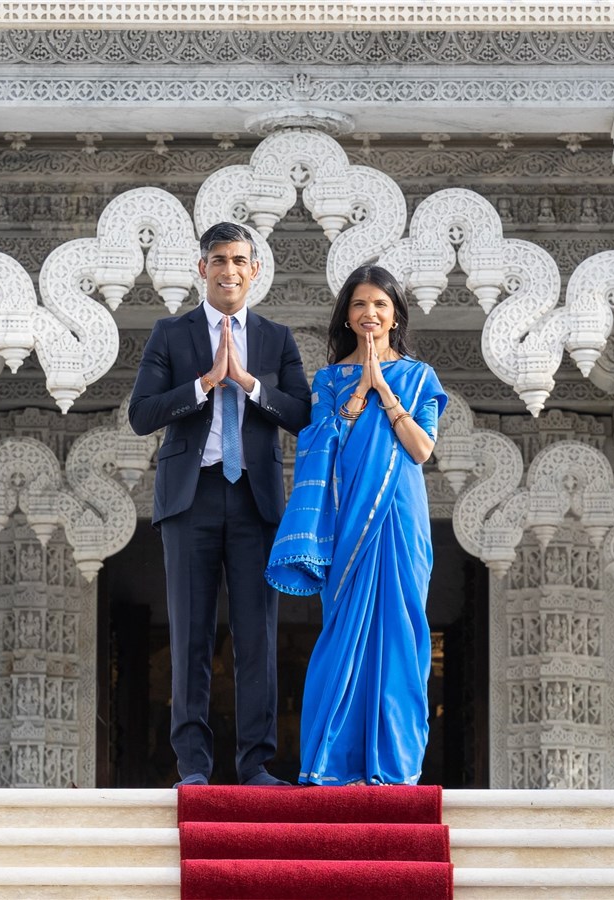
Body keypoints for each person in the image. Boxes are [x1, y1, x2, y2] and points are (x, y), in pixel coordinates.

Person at [129, 222, 311, 787]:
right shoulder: (170, 333)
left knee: (257, 632)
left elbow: (301, 413)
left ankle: (256, 764)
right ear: (201, 268)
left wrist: (251, 386)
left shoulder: (277, 338)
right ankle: (194, 768)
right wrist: (206, 383)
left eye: (239, 260)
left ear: (254, 270)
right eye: (218, 260)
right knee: (191, 633)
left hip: (255, 500)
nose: (228, 270)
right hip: (191, 497)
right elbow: (142, 414)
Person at [266, 264, 447, 786]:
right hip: (350, 519)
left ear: (395, 317)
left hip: (401, 516)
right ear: (347, 316)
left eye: (380, 305)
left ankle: (394, 767)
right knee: (343, 630)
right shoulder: (327, 381)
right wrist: (357, 392)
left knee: (402, 630)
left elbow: (420, 449)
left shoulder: (417, 377)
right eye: (360, 304)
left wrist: (383, 390)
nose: (370, 314)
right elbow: (319, 446)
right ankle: (333, 763)